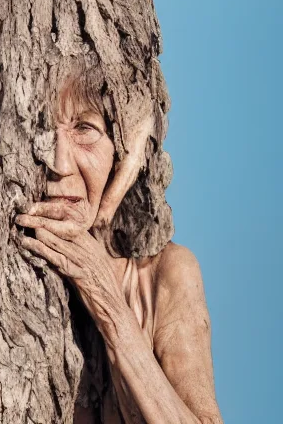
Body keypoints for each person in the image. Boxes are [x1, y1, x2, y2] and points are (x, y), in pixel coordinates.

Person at [15, 65, 221, 423]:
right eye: (44, 132)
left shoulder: (164, 276)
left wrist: (107, 302)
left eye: (85, 129)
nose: (60, 164)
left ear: (121, 158)